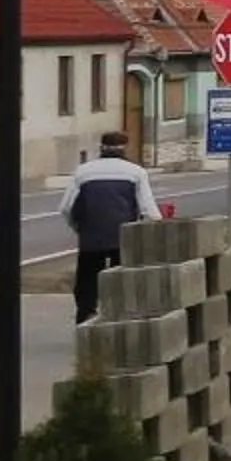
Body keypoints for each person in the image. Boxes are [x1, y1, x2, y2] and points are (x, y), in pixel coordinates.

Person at [58, 131, 165, 323]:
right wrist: (156, 229)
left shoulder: (83, 171)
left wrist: (79, 227)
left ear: (101, 148)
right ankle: (120, 317)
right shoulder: (136, 172)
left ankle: (85, 316)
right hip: (124, 236)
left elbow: (66, 207)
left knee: (88, 278)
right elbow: (148, 208)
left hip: (91, 236)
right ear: (125, 148)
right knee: (122, 277)